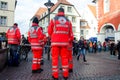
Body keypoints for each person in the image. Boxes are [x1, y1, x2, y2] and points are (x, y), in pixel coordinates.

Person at [48, 7, 73, 80]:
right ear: (63, 12)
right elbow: (70, 33)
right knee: (65, 59)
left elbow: (49, 31)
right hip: (65, 43)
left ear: (58, 12)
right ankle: (65, 75)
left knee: (55, 59)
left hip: (55, 43)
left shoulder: (53, 19)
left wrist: (52, 36)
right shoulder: (68, 21)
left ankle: (55, 76)